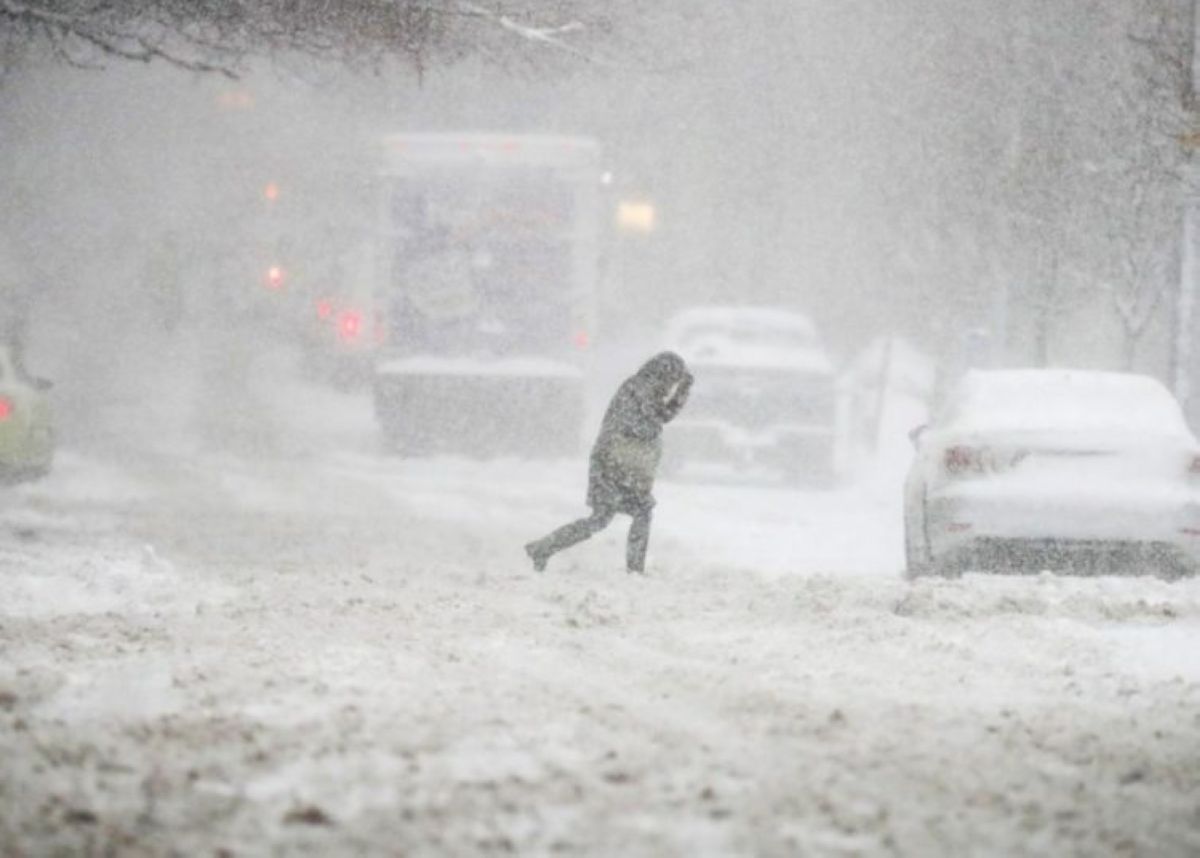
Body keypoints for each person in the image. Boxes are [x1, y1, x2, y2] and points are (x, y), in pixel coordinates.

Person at [525, 351, 694, 575]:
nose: (671, 385)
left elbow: (660, 417)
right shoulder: (638, 389)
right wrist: (678, 396)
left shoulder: (643, 389)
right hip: (612, 465)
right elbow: (652, 422)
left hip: (622, 465)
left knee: (614, 516)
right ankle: (632, 570)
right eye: (672, 380)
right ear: (663, 374)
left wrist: (682, 393)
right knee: (613, 516)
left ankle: (544, 548)